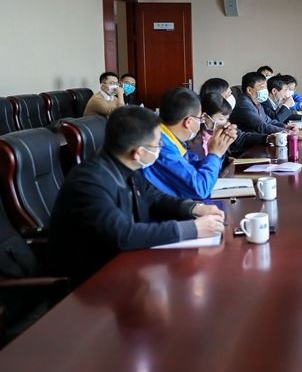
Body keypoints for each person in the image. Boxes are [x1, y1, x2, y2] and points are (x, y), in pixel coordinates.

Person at [48, 106, 225, 286]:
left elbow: (155, 197)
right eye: (157, 145)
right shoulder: (89, 183)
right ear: (138, 152)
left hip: (125, 267)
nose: (160, 148)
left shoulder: (124, 165)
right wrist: (193, 229)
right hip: (91, 283)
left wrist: (195, 208)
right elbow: (122, 235)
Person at [141, 87, 236, 199]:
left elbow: (192, 168)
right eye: (200, 119)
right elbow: (200, 189)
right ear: (189, 122)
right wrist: (214, 155)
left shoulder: (170, 138)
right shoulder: (160, 146)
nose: (201, 123)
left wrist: (219, 149)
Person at [229, 72, 302, 139]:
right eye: (262, 87)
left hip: (258, 140)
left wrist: (286, 126)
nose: (265, 90)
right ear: (249, 90)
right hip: (248, 146)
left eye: (265, 87)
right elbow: (261, 126)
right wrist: (291, 133)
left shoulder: (256, 102)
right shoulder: (244, 104)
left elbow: (268, 121)